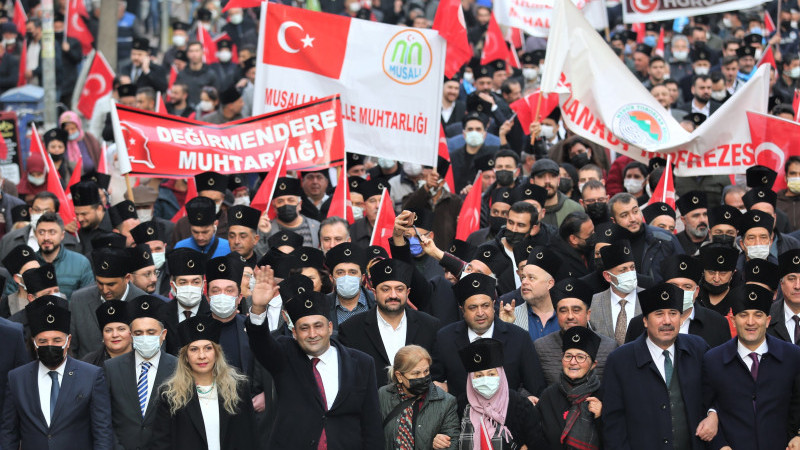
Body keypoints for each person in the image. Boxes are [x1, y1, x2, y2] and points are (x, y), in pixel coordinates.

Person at [245, 265, 384, 449]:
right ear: (294, 332)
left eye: (318, 326)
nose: (312, 334)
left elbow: (372, 425)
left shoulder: (361, 363)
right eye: (304, 328)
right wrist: (258, 308)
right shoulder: (284, 356)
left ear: (330, 327)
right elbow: (260, 343)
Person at [602, 282, 713, 449]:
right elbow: (613, 424)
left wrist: (713, 414)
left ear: (681, 318)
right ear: (645, 321)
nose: (667, 321)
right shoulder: (620, 360)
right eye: (659, 314)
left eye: (673, 313)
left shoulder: (698, 349)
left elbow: (716, 393)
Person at [1, 298, 113, 449]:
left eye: (57, 340)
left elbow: (102, 432)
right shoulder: (17, 378)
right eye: (43, 341)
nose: (50, 345)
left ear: (68, 341)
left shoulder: (91, 376)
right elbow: (9, 433)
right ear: (34, 343)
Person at [702, 284, 800, 450]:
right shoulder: (714, 360)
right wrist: (720, 445)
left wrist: (798, 435)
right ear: (733, 320)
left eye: (758, 315)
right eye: (743, 315)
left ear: (768, 320)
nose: (750, 322)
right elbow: (703, 406)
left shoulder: (792, 356)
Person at [431, 273, 546, 402]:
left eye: (485, 306)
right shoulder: (445, 338)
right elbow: (435, 383)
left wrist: (524, 401)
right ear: (462, 310)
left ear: (493, 305)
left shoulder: (519, 338)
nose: (480, 313)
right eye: (473, 307)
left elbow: (536, 388)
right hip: (460, 418)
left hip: (509, 416)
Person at [152, 315, 256, 450]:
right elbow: (161, 443)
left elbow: (250, 437)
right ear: (186, 357)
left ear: (216, 353)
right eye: (194, 349)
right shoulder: (170, 394)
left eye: (208, 348)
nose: (202, 356)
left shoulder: (237, 388)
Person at [339, 258, 440, 387]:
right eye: (386, 289)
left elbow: (436, 373)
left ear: (407, 292)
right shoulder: (351, 329)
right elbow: (348, 378)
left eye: (399, 289)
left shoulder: (430, 326)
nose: (393, 295)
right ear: (374, 293)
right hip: (372, 405)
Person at [105, 295, 177, 450]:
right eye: (138, 333)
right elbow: (105, 418)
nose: (145, 338)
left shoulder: (178, 369)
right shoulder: (111, 368)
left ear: (163, 335)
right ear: (131, 335)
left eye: (151, 332)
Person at [625, 254, 732, 348]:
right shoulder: (639, 324)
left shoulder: (717, 323)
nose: (680, 291)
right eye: (673, 286)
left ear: (696, 291)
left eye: (687, 286)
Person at [456, 338, 546, 448]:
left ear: (501, 375)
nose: (485, 380)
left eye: (491, 374)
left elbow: (538, 444)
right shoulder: (461, 404)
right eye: (479, 376)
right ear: (470, 379)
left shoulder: (521, 405)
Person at [532, 277, 618, 385]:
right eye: (563, 311)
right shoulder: (541, 347)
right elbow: (530, 387)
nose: (570, 316)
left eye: (576, 310)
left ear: (588, 314)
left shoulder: (608, 347)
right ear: (557, 315)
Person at [69, 247, 147, 358]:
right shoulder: (79, 300)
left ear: (127, 278)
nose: (105, 290)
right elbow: (71, 348)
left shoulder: (143, 302)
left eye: (111, 284)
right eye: (100, 283)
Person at [378, 345, 459, 450]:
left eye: (426, 371)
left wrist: (442, 445)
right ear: (399, 376)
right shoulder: (383, 395)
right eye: (416, 373)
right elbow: (371, 434)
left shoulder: (446, 401)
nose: (422, 377)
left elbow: (453, 442)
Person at [537, 326, 604, 450]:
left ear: (593, 364)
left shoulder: (603, 395)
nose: (573, 362)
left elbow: (614, 440)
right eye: (568, 356)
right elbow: (537, 438)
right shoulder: (548, 396)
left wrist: (600, 417)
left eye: (580, 357)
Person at [589, 239, 643, 345]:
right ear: (608, 276)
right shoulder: (594, 302)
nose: (630, 273)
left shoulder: (648, 298)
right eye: (623, 270)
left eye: (632, 268)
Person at [161, 248, 211, 355]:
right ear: (173, 287)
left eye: (195, 282)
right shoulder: (161, 314)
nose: (190, 287)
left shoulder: (213, 315)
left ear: (203, 285)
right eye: (183, 282)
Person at [34, 212, 94, 299]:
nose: (46, 237)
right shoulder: (28, 264)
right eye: (41, 232)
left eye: (52, 232)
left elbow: (88, 299)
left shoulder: (80, 263)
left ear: (62, 235)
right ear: (36, 234)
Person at [82, 300, 132, 367]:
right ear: (102, 335)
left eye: (121, 329)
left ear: (131, 332)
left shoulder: (143, 360)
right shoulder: (89, 362)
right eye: (108, 330)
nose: (115, 335)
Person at [70, 180, 112, 258]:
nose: (80, 219)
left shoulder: (115, 225)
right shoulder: (81, 231)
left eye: (84, 214)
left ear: (99, 208)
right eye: (77, 214)